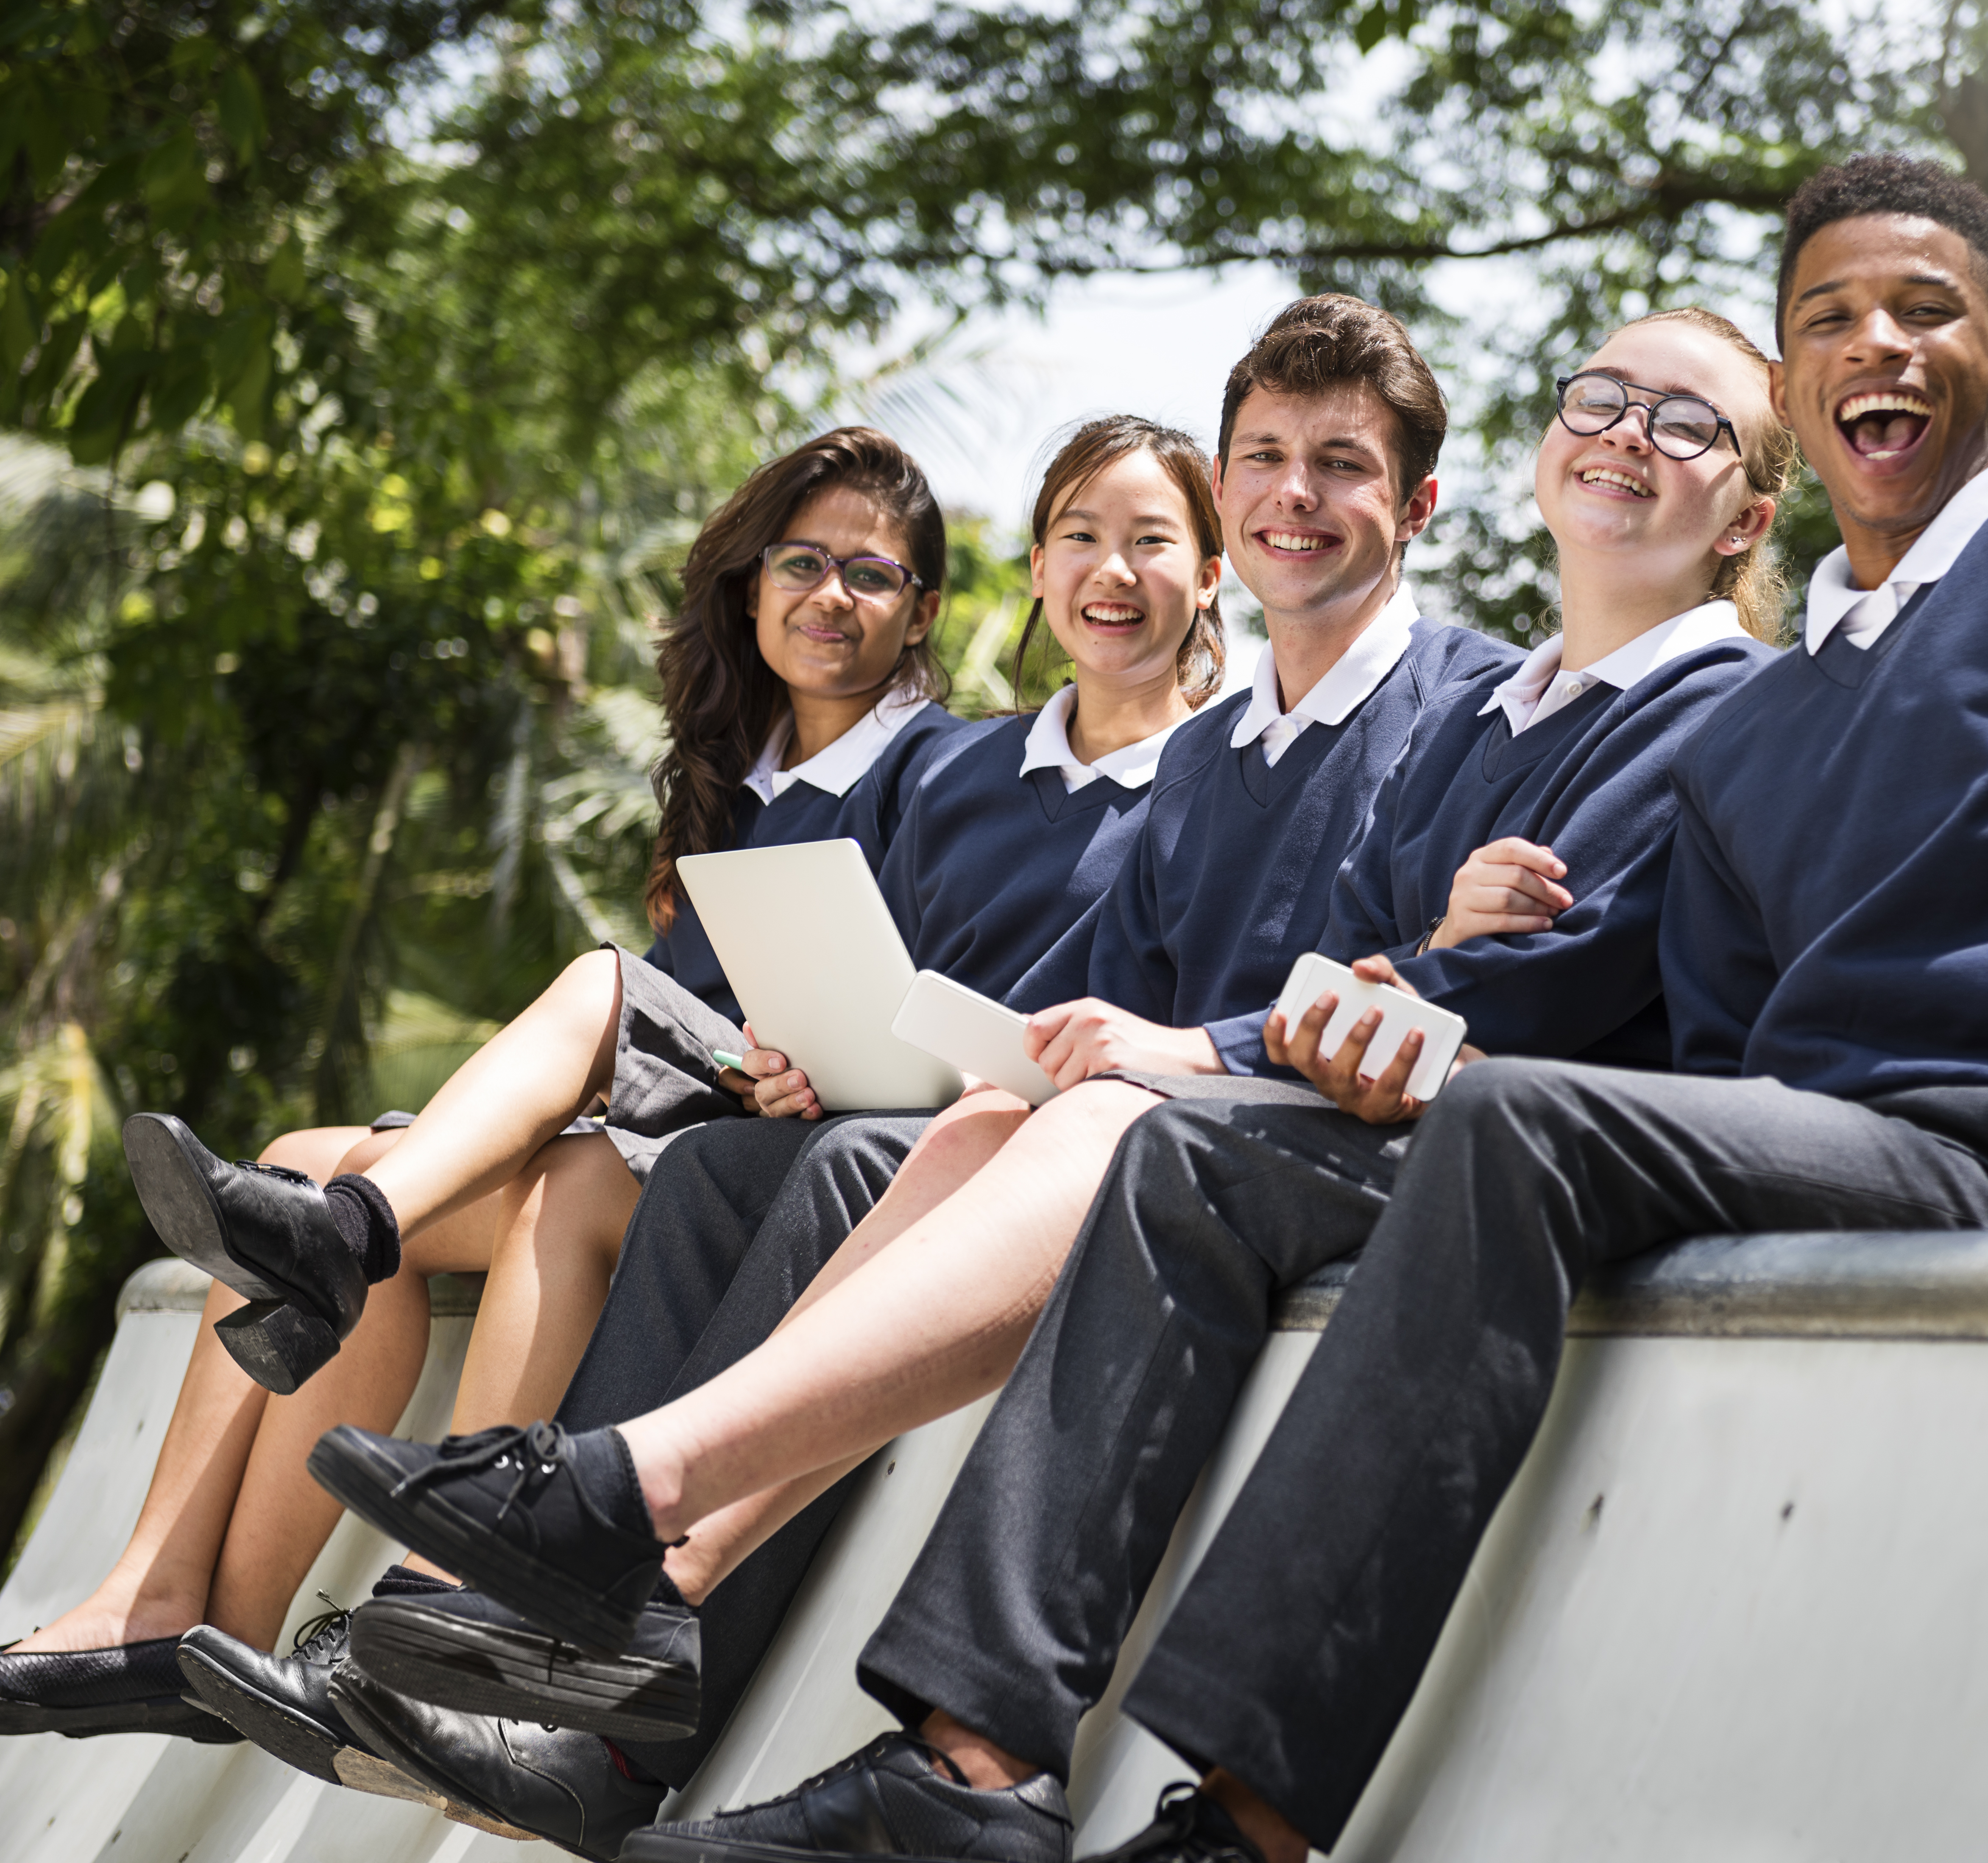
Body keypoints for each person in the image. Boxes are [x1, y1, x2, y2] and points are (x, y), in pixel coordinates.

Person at [437, 153, 1988, 1863]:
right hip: (1788, 1151)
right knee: (1189, 1161)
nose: (1882, 347)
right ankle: (967, 1765)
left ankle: (1241, 1820)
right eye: (1833, 316)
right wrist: (1414, 1002)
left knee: (1500, 1125)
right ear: (1798, 371)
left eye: (1927, 313)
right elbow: (1678, 1026)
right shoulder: (1769, 731)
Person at [313, 298, 1798, 1859]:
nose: (1630, 432)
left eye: (1686, 420)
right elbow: (1240, 970)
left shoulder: (1597, 705)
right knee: (930, 1126)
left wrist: (1324, 1000)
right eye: (1603, 398)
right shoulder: (1484, 721)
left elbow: (1470, 986)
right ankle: (656, 1604)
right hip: (1302, 1108)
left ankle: (641, 1533)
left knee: (1065, 1129)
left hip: (1457, 1150)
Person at [187, 413, 1233, 1853]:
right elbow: (892, 967)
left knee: (823, 1162)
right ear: (1039, 574)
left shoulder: (1226, 774)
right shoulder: (965, 775)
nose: (1113, 571)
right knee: (723, 1172)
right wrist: (818, 1050)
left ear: (1214, 573)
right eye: (1081, 538)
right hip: (892, 1107)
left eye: (1153, 540)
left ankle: (613, 1707)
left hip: (1039, 1148)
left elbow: (1176, 1005)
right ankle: (520, 1609)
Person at [0, 428, 957, 1774]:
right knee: (297, 1164)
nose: (830, 596)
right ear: (751, 587)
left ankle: (431, 1593)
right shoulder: (734, 784)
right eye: (802, 562)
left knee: (564, 1104)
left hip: (754, 1174)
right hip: (653, 1122)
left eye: (871, 575)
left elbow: (925, 1001)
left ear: (923, 610)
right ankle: (181, 1609)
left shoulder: (937, 773)